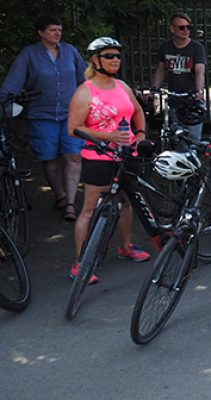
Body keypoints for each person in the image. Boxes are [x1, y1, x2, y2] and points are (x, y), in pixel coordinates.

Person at [67, 37, 150, 284]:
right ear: (96, 60)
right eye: (109, 56)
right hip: (99, 157)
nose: (116, 60)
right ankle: (79, 263)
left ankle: (126, 247)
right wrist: (108, 135)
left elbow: (137, 111)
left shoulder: (122, 86)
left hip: (127, 155)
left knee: (125, 203)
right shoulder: (85, 92)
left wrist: (141, 134)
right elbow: (73, 129)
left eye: (117, 56)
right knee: (90, 210)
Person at [0, 15, 87, 221]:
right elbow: (11, 85)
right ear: (41, 33)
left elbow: (84, 78)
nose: (57, 33)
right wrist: (6, 101)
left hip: (71, 114)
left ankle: (71, 204)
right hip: (42, 115)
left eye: (59, 29)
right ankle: (60, 195)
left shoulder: (70, 51)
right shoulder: (28, 55)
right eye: (52, 30)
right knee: (50, 160)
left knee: (73, 156)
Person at [151, 12, 207, 140]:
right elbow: (161, 69)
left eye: (188, 27)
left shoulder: (197, 48)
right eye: (181, 27)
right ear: (172, 29)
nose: (186, 30)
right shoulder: (165, 47)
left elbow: (200, 71)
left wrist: (199, 91)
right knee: (173, 135)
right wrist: (154, 89)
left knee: (192, 138)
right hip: (174, 99)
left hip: (192, 99)